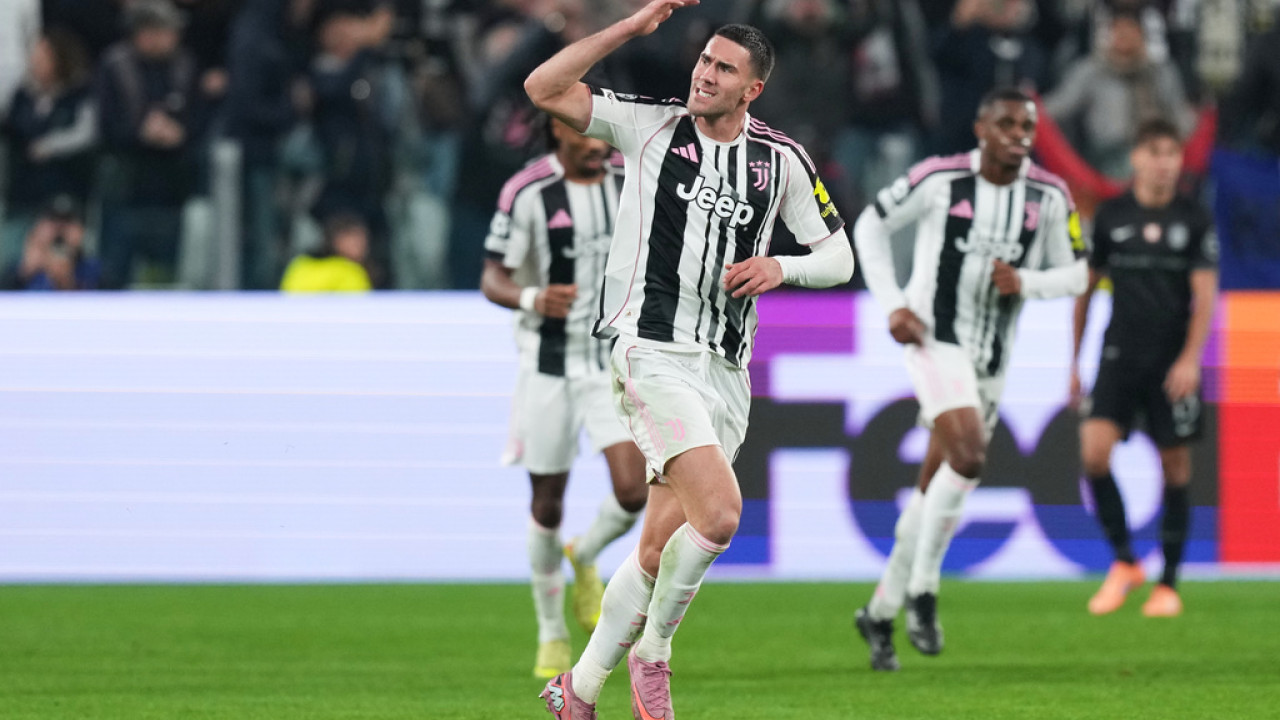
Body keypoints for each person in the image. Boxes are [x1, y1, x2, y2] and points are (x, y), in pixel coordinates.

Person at [525, 3, 855, 718]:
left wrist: (782, 267)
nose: (705, 75)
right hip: (652, 351)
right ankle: (654, 653)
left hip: (727, 369)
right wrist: (626, 29)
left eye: (724, 69)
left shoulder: (781, 161)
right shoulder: (649, 126)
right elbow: (543, 89)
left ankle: (578, 691)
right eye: (704, 60)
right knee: (722, 513)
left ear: (752, 89)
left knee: (658, 549)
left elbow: (839, 257)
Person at [850, 87, 1088, 671]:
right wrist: (892, 305)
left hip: (993, 358)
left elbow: (1079, 273)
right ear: (981, 127)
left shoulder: (1050, 196)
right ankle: (924, 591)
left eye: (1027, 126)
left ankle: (879, 613)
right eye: (1006, 123)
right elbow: (871, 225)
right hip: (934, 339)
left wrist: (1027, 283)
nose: (1019, 135)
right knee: (971, 454)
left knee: (937, 485)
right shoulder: (939, 178)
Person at [480, 117, 649, 680]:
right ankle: (551, 631)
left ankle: (586, 552)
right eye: (585, 133)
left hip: (608, 362)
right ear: (559, 128)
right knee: (547, 502)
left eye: (603, 134)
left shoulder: (629, 178)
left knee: (633, 490)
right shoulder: (528, 191)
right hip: (547, 366)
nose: (598, 145)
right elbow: (492, 277)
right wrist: (533, 297)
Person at [1069, 118, 1217, 618]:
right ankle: (1126, 562)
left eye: (1172, 153)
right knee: (1094, 454)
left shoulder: (1194, 218)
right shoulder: (1112, 215)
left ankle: (1168, 584)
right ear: (1135, 158)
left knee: (1175, 466)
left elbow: (1204, 298)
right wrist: (1074, 362)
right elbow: (1086, 291)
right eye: (1154, 153)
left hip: (1172, 362)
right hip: (1118, 355)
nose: (1164, 163)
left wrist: (1190, 359)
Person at [1, 194, 100, 291]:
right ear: (37, 228)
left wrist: (66, 281)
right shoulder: (17, 269)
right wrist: (24, 272)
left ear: (81, 230)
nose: (60, 228)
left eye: (67, 222)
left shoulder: (91, 269)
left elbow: (102, 295)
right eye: (53, 220)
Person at [279, 212, 372, 292]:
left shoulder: (299, 263)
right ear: (333, 240)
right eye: (350, 238)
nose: (358, 245)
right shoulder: (352, 272)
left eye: (361, 239)